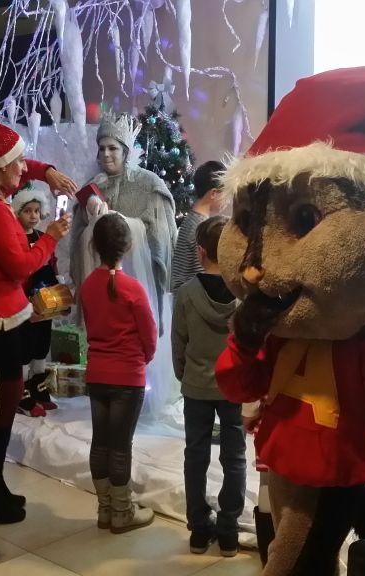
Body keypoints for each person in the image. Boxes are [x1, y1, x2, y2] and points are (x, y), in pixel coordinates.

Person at [0, 120, 75, 524]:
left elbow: (24, 170)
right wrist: (52, 235)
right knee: (1, 406)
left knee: (4, 402)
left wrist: (48, 172)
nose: (25, 167)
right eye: (19, 162)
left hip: (3, 316)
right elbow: (20, 265)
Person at [70, 111, 179, 416]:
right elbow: (78, 235)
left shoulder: (148, 184)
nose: (106, 154)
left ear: (126, 151)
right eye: (101, 148)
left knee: (139, 329)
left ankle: (145, 392)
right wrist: (92, 218)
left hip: (139, 278)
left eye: (113, 148)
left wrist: (123, 224)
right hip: (104, 280)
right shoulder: (94, 185)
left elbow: (161, 234)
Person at [171, 215, 244, 556]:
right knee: (235, 456)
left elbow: (179, 341)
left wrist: (183, 374)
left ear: (200, 252)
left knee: (195, 455)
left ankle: (199, 529)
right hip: (234, 386)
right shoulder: (243, 295)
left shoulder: (187, 293)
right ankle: (228, 531)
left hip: (196, 385)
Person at [81, 212, 157, 534]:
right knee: (120, 445)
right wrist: (143, 359)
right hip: (127, 375)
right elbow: (149, 336)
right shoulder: (133, 288)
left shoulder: (88, 286)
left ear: (94, 246)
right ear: (128, 247)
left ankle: (105, 509)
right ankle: (122, 513)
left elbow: (90, 327)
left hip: (97, 374)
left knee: (100, 442)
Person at [12, 188, 62, 417]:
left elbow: (51, 263)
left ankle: (38, 384)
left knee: (42, 342)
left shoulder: (43, 237)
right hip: (25, 301)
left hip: (46, 299)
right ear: (17, 212)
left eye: (36, 211)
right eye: (28, 211)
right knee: (26, 345)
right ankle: (21, 391)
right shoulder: (15, 238)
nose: (33, 216)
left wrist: (58, 287)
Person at [169, 161, 225, 292]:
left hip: (185, 295)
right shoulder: (202, 228)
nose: (228, 199)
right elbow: (204, 274)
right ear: (213, 193)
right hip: (190, 299)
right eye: (226, 193)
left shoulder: (193, 218)